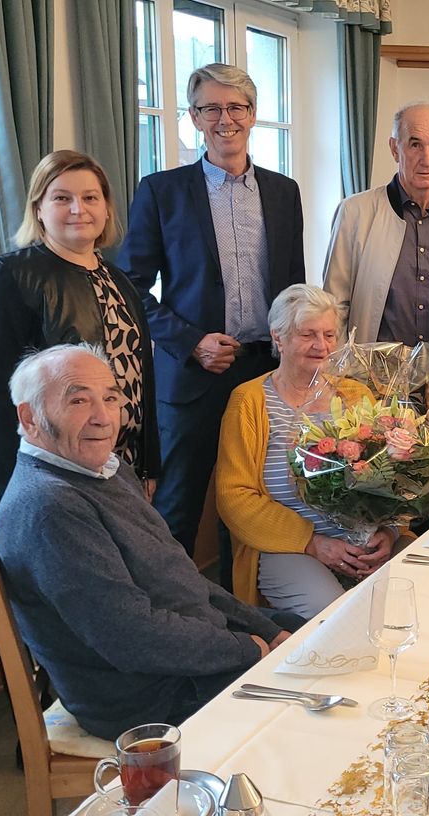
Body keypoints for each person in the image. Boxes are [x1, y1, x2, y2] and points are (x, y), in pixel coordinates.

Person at [0, 344, 296, 740]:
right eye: (79, 400)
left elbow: (180, 575)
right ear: (30, 417)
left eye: (111, 398)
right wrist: (246, 648)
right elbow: (130, 637)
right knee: (314, 693)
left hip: (180, 651)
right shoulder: (51, 506)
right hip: (144, 696)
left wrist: (262, 630)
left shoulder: (102, 470)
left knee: (320, 630)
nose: (103, 418)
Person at [119, 63, 306, 574]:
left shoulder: (283, 192)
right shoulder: (162, 191)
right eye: (211, 108)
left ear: (253, 115)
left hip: (263, 374)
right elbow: (127, 286)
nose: (226, 118)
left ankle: (240, 620)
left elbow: (293, 287)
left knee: (253, 505)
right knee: (177, 510)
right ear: (195, 118)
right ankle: (176, 630)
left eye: (236, 107)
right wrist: (191, 341)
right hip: (193, 377)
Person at [0, 150, 159, 515]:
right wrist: (23, 488)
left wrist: (148, 466)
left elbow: (141, 378)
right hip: (46, 474)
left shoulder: (119, 281)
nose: (78, 209)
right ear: (38, 209)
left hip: (118, 464)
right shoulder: (5, 277)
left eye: (90, 198)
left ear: (106, 208)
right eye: (62, 198)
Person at [216, 286, 395, 618]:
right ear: (278, 338)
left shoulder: (356, 394)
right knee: (335, 615)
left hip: (364, 543)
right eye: (307, 334)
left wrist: (389, 532)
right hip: (288, 547)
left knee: (416, 591)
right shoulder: (249, 401)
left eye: (329, 334)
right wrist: (312, 542)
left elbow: (390, 475)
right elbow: (234, 497)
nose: (321, 345)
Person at [323, 101, 429, 345]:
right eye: (415, 144)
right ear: (394, 148)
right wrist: (343, 372)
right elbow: (334, 307)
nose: (426, 158)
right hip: (373, 374)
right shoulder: (354, 213)